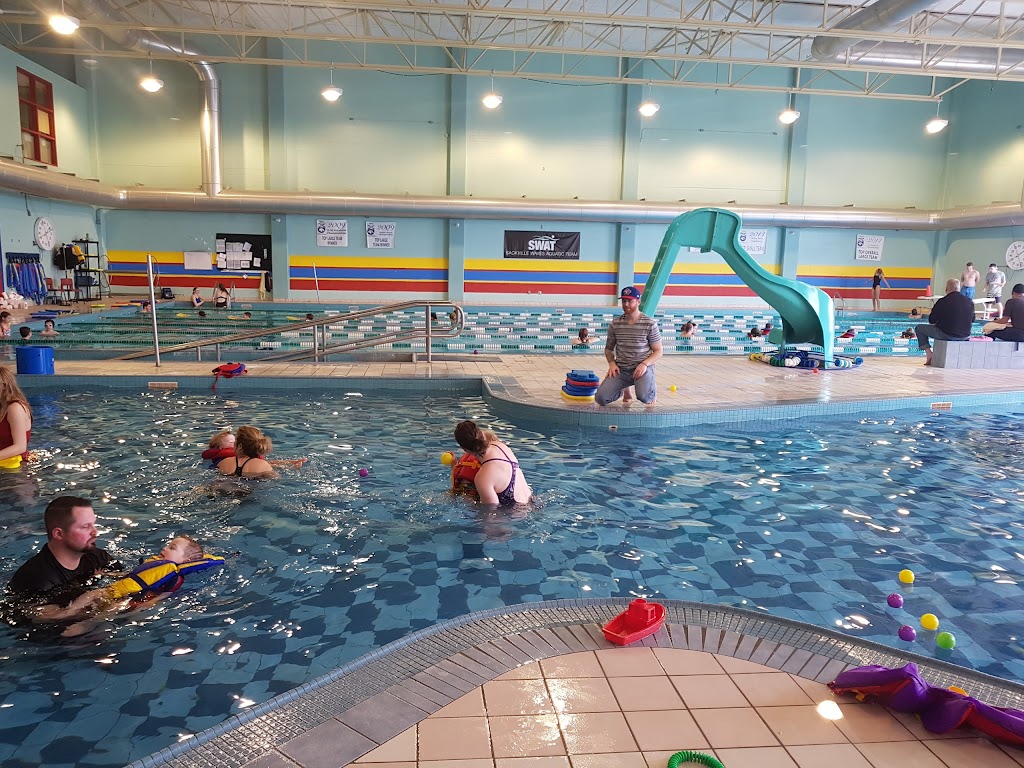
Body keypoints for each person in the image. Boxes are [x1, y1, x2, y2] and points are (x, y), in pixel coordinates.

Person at [34, 535, 222, 636]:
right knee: (95, 593)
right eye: (168, 544)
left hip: (136, 599)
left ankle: (87, 624)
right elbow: (132, 576)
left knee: (113, 609)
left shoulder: (174, 578)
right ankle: (66, 613)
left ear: (186, 560)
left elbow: (164, 596)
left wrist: (147, 604)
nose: (165, 548)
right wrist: (107, 574)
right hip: (119, 589)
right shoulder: (154, 564)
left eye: (172, 548)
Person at [6, 496, 117, 603]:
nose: (95, 532)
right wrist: (90, 598)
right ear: (59, 534)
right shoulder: (36, 581)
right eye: (85, 527)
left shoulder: (98, 557)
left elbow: (122, 578)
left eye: (93, 524)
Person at [595, 286, 663, 406]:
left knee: (644, 397)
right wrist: (612, 364)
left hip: (641, 368)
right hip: (622, 369)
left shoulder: (649, 324)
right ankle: (622, 389)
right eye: (624, 301)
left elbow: (658, 351)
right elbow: (608, 349)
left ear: (638, 302)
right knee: (601, 398)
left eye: (630, 301)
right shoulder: (615, 324)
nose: (626, 304)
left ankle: (650, 389)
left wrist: (644, 364)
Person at [453, 420, 532, 506]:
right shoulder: (500, 446)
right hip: (532, 502)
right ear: (482, 434)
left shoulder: (483, 478)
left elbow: (491, 512)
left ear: (464, 449)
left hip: (516, 511)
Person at [915, 278, 974, 366]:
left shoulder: (943, 301)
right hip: (965, 335)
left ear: (946, 289)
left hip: (947, 334)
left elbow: (931, 320)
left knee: (919, 328)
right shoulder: (969, 301)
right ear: (959, 288)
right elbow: (973, 320)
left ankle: (929, 354)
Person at [0, 367, 32, 468]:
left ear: (4, 386)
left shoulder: (15, 408)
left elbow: (20, 447)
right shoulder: (1, 406)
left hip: (16, 466)